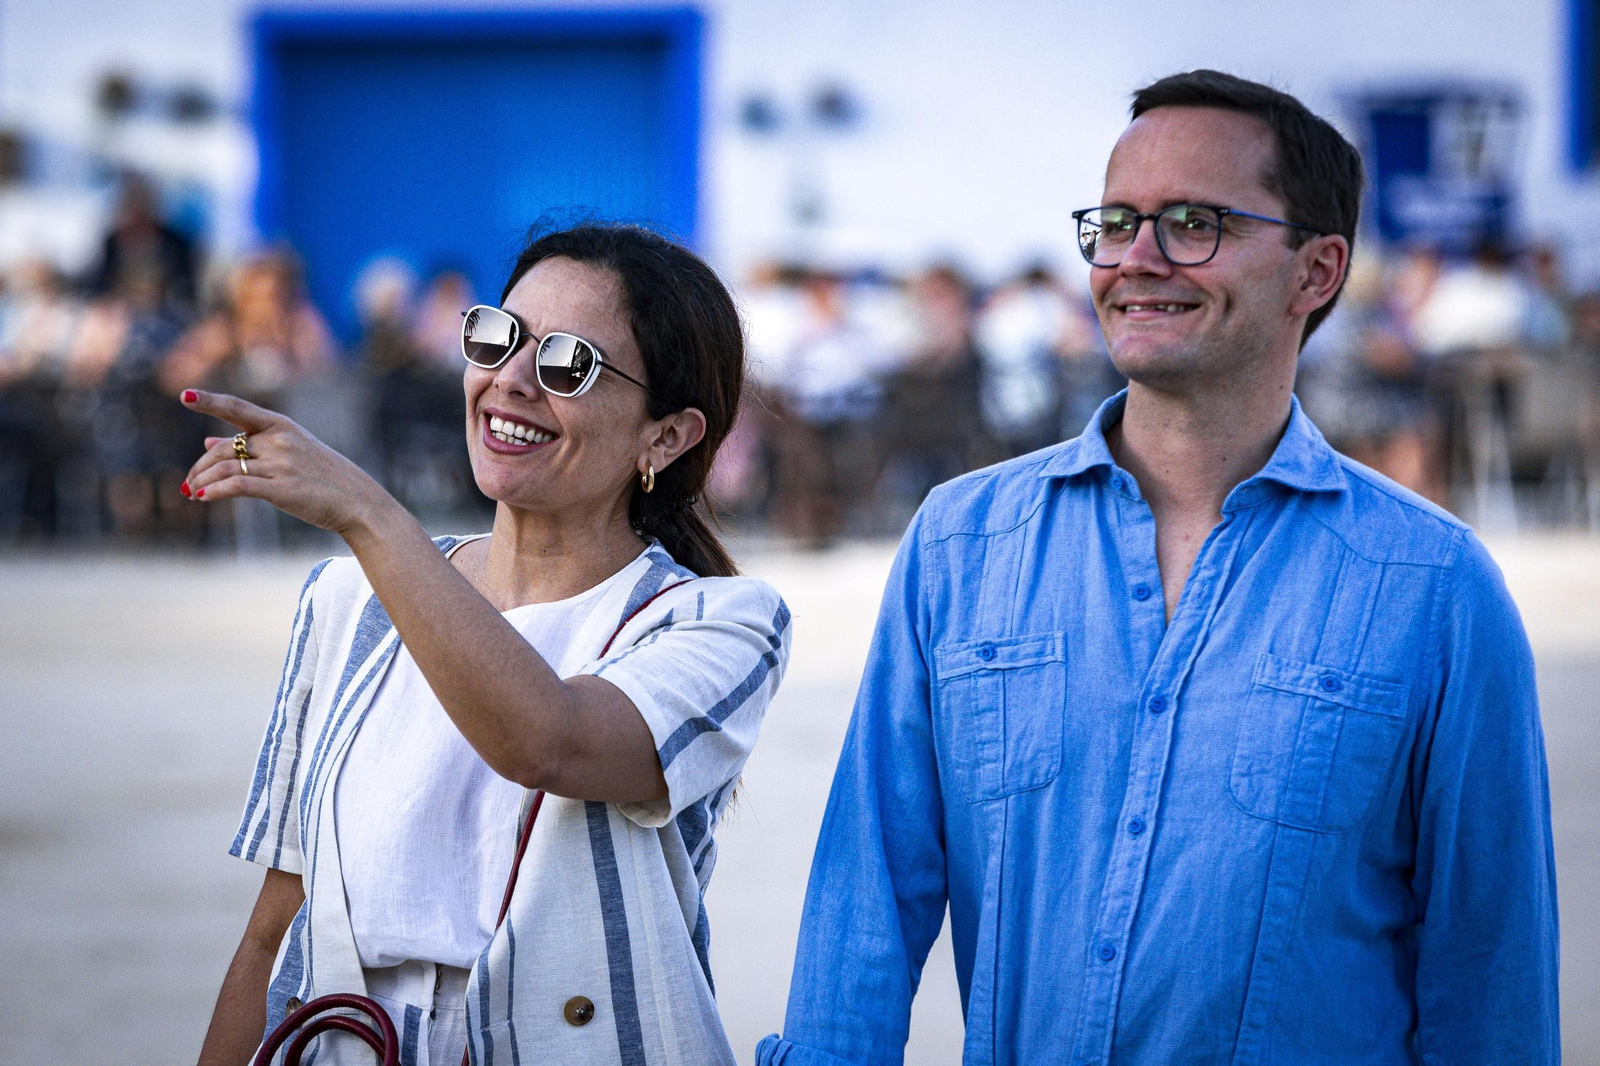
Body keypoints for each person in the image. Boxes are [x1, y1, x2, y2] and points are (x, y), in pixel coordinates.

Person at [760, 70, 1557, 1065]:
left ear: (1315, 272)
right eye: (1115, 222)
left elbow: (1490, 987)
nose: (1135, 258)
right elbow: (863, 910)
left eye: (1191, 221)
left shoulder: (1434, 589)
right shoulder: (960, 547)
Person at [192, 223, 793, 1066]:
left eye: (567, 365)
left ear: (666, 436)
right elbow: (270, 934)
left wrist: (369, 513)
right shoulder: (347, 601)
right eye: (497, 338)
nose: (509, 382)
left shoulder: (718, 624)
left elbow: (548, 740)